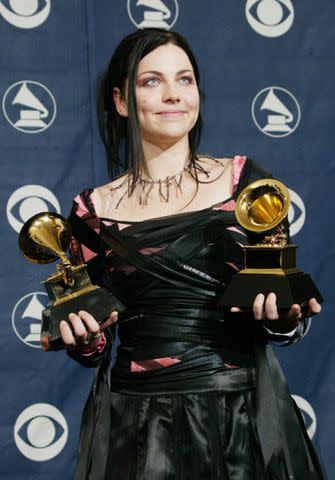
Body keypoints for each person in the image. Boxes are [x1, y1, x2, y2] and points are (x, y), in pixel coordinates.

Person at [58, 28, 325, 479]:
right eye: (151, 81)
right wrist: (85, 340)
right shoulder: (91, 212)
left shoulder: (248, 186)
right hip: (138, 429)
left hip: (238, 418)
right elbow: (95, 335)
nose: (172, 95)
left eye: (184, 79)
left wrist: (284, 320)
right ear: (122, 101)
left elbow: (285, 312)